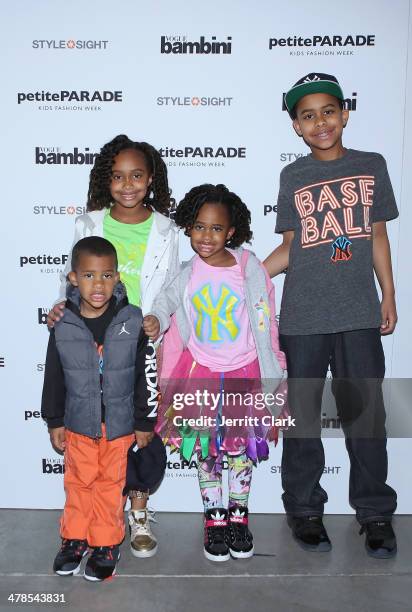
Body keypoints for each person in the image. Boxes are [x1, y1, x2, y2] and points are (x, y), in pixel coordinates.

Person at [263, 73, 398, 558]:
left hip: (359, 312)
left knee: (366, 416)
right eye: (307, 115)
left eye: (327, 111)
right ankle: (303, 509)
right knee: (302, 420)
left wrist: (389, 294)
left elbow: (378, 235)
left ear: (344, 114)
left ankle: (375, 513)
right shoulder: (293, 176)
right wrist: (247, 276)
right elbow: (291, 247)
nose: (319, 121)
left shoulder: (372, 165)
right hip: (301, 316)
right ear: (296, 127)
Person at [47, 134, 179, 557]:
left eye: (136, 176)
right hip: (92, 338)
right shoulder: (88, 223)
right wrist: (60, 312)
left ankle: (137, 510)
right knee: (91, 433)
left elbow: (172, 285)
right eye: (118, 176)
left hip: (141, 342)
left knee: (140, 431)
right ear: (107, 180)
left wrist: (159, 315)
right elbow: (69, 276)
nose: (127, 185)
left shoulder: (166, 229)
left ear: (150, 178)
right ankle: (88, 520)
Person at [143, 184, 286, 562]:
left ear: (232, 232)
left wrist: (273, 370)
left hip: (244, 373)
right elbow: (165, 301)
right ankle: (215, 518)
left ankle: (239, 517)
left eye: (217, 229)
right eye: (199, 227)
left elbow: (264, 318)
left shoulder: (248, 267)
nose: (207, 236)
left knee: (241, 453)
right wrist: (157, 319)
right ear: (188, 227)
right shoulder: (187, 272)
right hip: (201, 373)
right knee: (207, 451)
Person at [41, 237, 159, 581]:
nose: (98, 284)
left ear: (117, 277)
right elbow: (54, 375)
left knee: (110, 487)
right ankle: (74, 540)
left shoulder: (132, 320)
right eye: (90, 276)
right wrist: (55, 420)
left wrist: (144, 420)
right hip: (78, 425)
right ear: (74, 278)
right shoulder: (63, 323)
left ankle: (106, 544)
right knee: (78, 484)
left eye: (107, 276)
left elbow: (145, 376)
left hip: (119, 428)